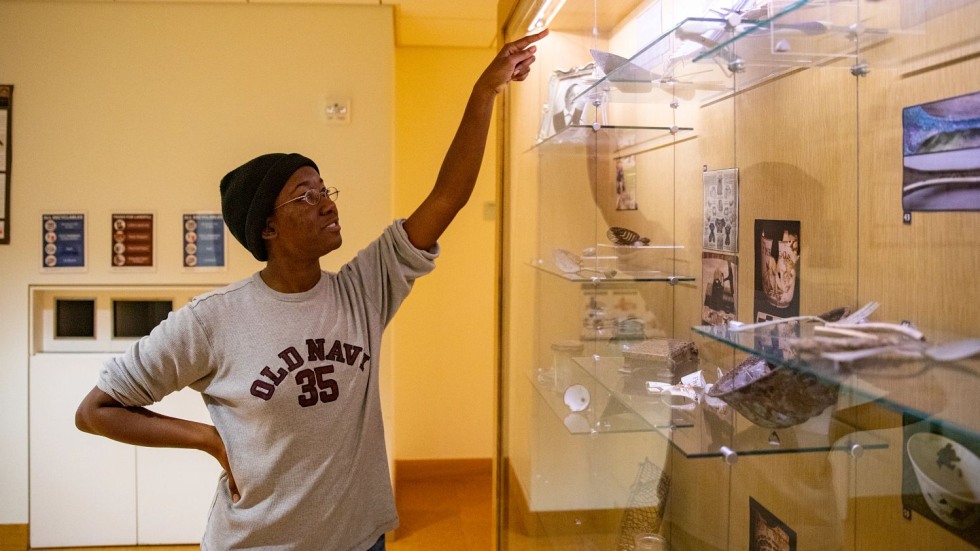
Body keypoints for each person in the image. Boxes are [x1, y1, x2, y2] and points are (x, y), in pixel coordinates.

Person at [75, 28, 548, 551]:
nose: (327, 203)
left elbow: (447, 196)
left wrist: (484, 92)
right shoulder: (214, 320)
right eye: (305, 197)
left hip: (360, 541)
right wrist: (209, 440)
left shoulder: (363, 289)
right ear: (267, 229)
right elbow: (96, 411)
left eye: (325, 190)